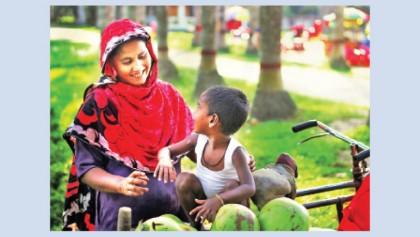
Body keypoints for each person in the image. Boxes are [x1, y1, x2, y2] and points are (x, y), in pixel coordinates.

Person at [61, 18, 255, 231]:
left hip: (175, 219)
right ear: (111, 65)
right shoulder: (99, 104)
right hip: (120, 221)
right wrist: (121, 184)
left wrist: (230, 163)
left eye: (142, 56)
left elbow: (196, 148)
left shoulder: (169, 96)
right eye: (127, 61)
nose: (138, 67)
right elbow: (87, 169)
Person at [155, 85, 256, 230]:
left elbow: (249, 187)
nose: (193, 112)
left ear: (213, 120)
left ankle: (224, 228)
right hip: (206, 200)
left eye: (198, 108)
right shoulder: (199, 139)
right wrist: (165, 158)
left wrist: (219, 199)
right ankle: (195, 226)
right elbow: (168, 150)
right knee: (184, 179)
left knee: (232, 185)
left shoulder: (235, 152)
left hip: (232, 208)